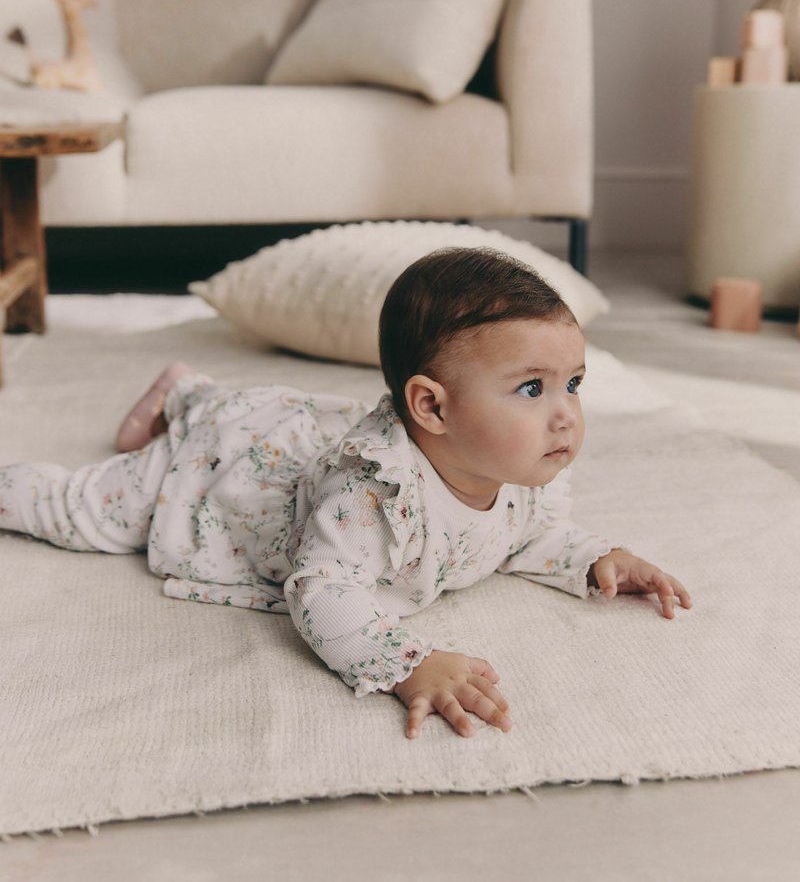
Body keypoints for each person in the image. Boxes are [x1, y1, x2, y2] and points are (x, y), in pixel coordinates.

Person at [0, 247, 691, 741]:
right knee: (81, 514)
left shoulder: (522, 473)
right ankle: (179, 412)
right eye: (532, 389)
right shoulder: (369, 497)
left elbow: (523, 534)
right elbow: (319, 589)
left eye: (573, 383)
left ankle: (185, 391)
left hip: (292, 428)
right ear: (432, 408)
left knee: (275, 415)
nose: (565, 413)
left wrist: (596, 558)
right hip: (218, 471)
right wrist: (406, 663)